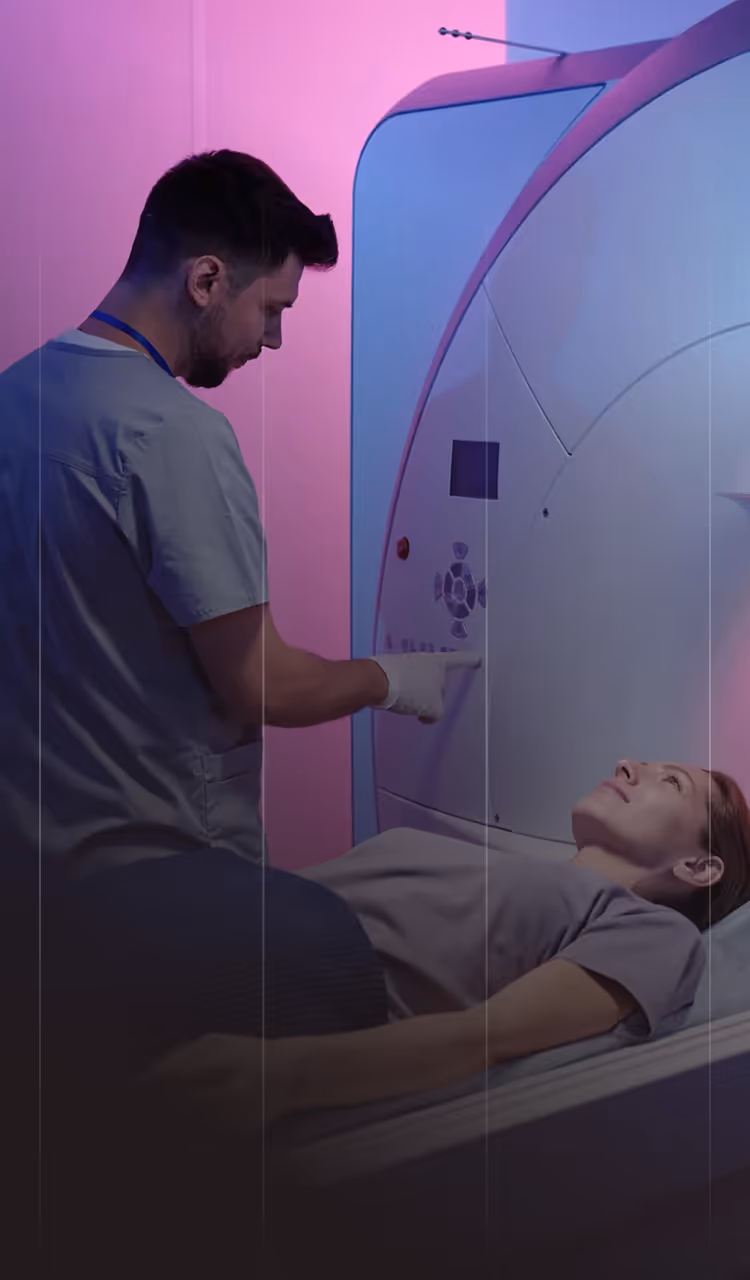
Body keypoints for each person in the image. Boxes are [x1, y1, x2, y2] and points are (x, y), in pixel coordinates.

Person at [145, 757, 750, 1127]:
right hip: (227, 898)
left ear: (700, 867)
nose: (628, 764)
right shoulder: (520, 874)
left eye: (670, 781)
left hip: (297, 956)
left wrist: (282, 1076)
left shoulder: (658, 932)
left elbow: (493, 1034)